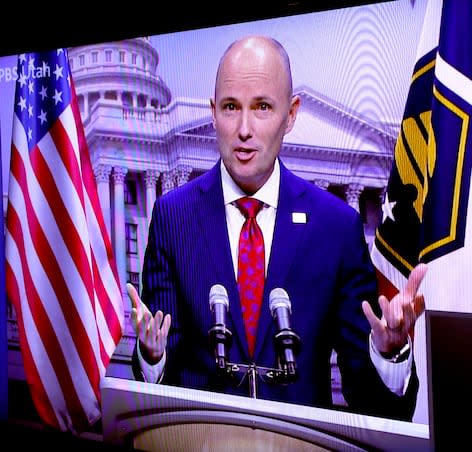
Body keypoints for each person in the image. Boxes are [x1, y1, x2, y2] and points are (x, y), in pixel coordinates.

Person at [128, 35, 427, 421]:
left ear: (290, 114)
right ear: (213, 112)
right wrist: (151, 358)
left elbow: (371, 404)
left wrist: (388, 354)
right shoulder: (174, 216)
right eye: (231, 107)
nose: (244, 129)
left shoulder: (336, 227)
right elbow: (155, 386)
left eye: (263, 107)